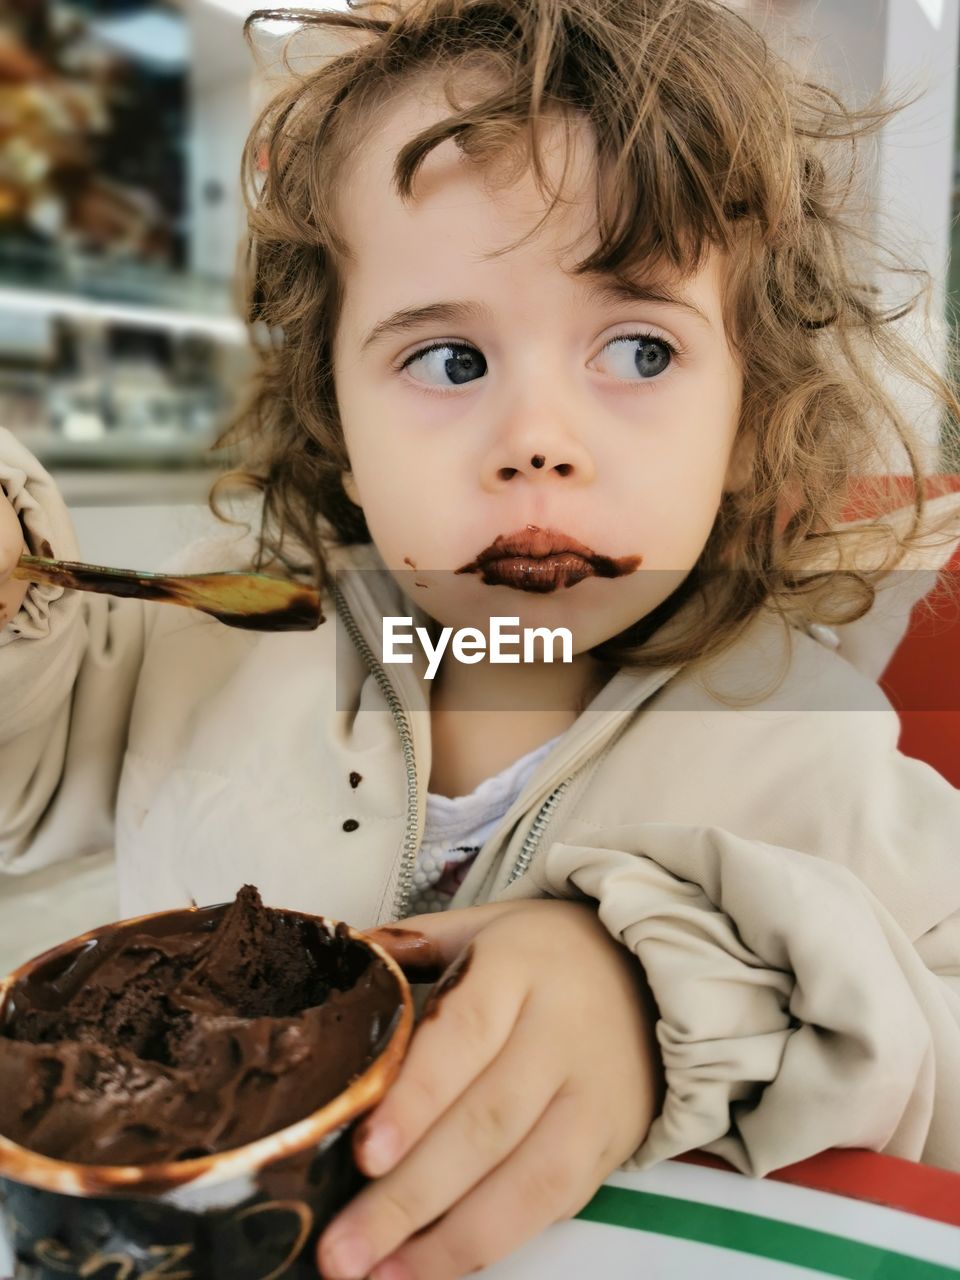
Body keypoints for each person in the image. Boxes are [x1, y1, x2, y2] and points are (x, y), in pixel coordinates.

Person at [2, 0, 960, 1276]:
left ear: (748, 413)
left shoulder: (819, 758)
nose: (536, 440)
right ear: (335, 411)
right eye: (450, 360)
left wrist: (665, 995)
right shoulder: (209, 639)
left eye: (637, 347)